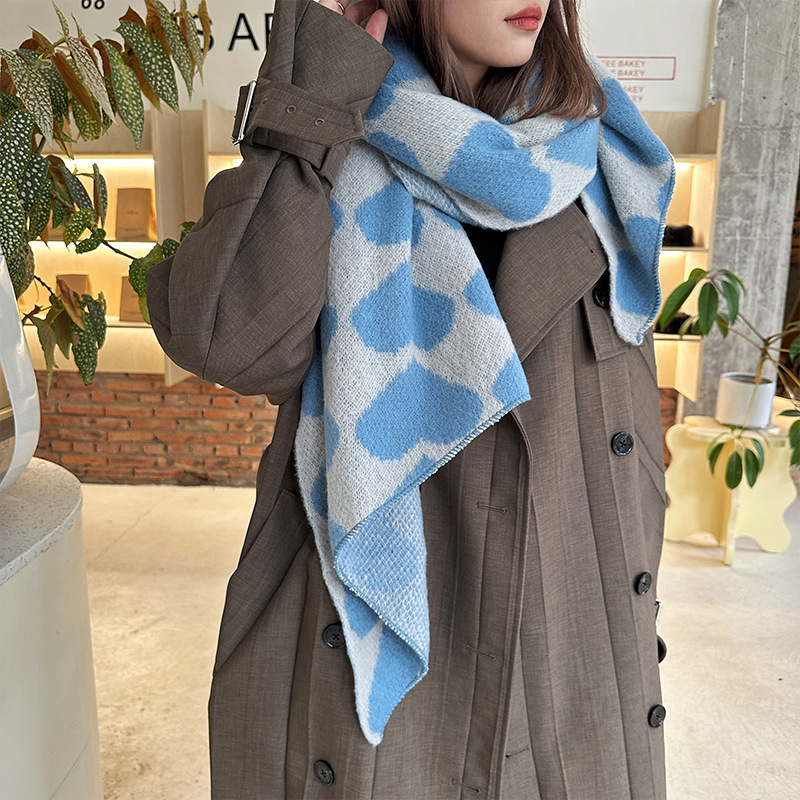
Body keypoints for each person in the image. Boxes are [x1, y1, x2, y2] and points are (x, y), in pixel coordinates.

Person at [145, 0, 674, 797]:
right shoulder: (332, 130)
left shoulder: (595, 149)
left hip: (569, 649)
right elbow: (231, 341)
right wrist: (310, 92)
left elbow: (625, 427)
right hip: (369, 652)